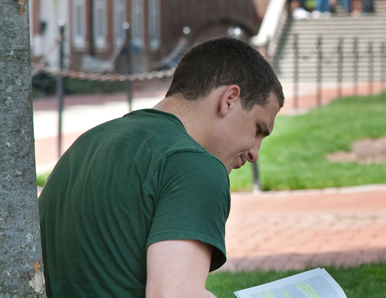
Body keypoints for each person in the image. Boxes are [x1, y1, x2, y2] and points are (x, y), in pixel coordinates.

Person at [38, 38, 284, 298]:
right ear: (230, 99)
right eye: (258, 129)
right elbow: (172, 295)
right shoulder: (197, 166)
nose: (254, 153)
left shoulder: (88, 144)